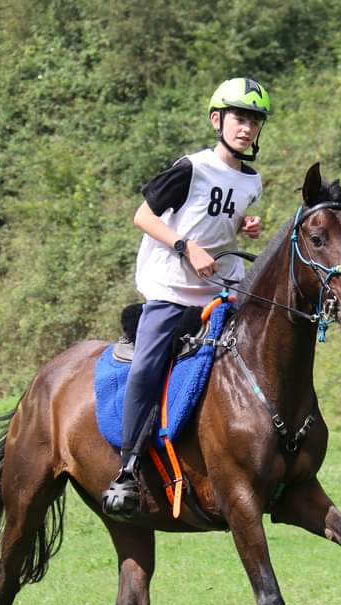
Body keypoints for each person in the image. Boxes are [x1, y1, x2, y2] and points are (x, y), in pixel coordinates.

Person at [102, 77, 272, 519]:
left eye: (254, 120)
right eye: (239, 118)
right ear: (217, 121)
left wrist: (243, 227)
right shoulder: (191, 168)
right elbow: (142, 216)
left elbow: (216, 222)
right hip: (171, 289)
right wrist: (185, 246)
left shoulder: (252, 180)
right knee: (146, 369)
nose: (247, 128)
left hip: (220, 287)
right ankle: (128, 469)